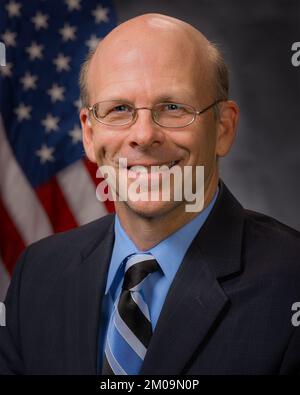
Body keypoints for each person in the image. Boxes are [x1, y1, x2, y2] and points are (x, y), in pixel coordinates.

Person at [0, 13, 300, 375]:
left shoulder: (290, 283)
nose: (143, 135)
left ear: (223, 127)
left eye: (173, 107)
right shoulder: (38, 274)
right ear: (90, 135)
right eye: (119, 109)